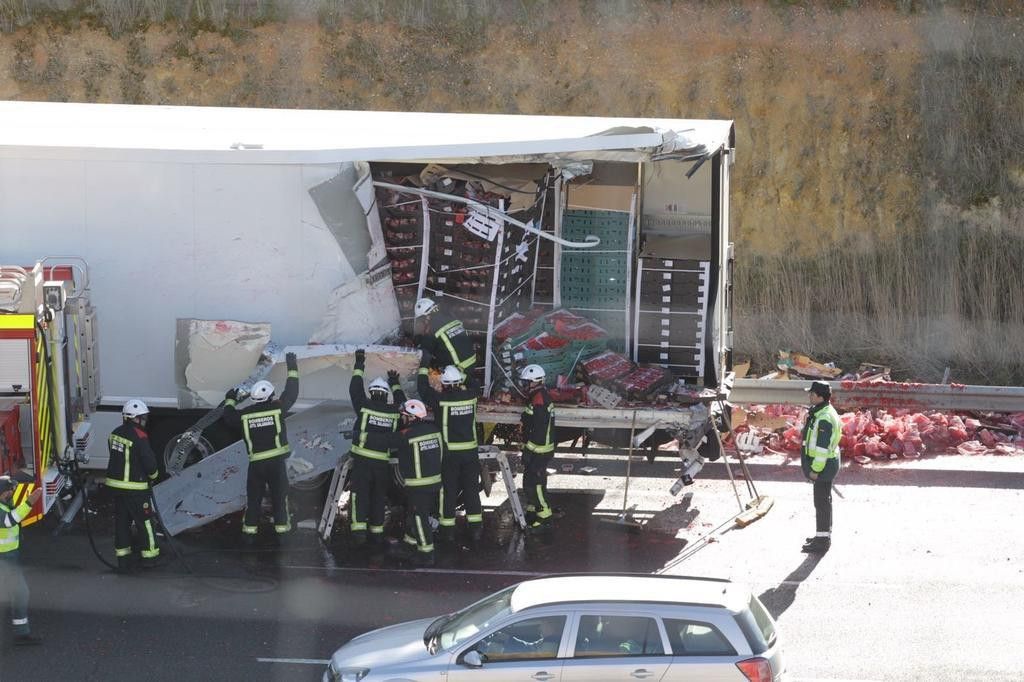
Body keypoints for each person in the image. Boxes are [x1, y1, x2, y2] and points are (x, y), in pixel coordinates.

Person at [222, 352, 299, 542]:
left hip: (256, 466)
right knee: (279, 499)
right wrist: (292, 367)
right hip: (276, 464)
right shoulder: (277, 409)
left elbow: (228, 416)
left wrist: (230, 399)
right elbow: (291, 393)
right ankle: (282, 534)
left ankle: (249, 535)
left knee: (254, 500)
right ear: (270, 396)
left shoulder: (245, 415)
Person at [365, 399, 443, 565]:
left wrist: (361, 436)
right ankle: (409, 544)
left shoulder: (409, 434)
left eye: (404, 416)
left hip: (418, 484)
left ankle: (426, 553)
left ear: (412, 417)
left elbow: (385, 441)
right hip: (433, 482)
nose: (402, 419)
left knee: (419, 518)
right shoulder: (434, 429)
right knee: (413, 514)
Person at [417, 350, 482, 545]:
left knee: (448, 491)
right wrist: (461, 369)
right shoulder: (471, 396)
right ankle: (476, 530)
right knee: (471, 490)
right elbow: (474, 382)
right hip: (470, 454)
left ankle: (448, 531)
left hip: (450, 455)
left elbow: (422, 388)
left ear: (444, 385)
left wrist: (424, 365)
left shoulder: (440, 400)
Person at [347, 348, 405, 547]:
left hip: (362, 462)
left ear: (371, 393)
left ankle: (358, 533)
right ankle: (377, 532)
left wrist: (359, 363)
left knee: (359, 496)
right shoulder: (394, 412)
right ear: (385, 394)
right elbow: (404, 404)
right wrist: (395, 383)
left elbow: (354, 388)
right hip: (382, 463)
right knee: (379, 497)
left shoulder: (363, 406)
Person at [105, 399, 161, 571]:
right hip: (136, 489)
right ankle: (149, 558)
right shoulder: (140, 436)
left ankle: (123, 559)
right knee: (145, 523)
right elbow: (149, 462)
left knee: (121, 523)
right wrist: (154, 475)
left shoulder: (114, 433)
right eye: (142, 418)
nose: (144, 421)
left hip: (116, 488)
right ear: (135, 418)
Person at [0, 475, 43, 645]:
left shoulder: (4, 504)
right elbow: (10, 521)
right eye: (10, 489)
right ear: (3, 493)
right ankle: (21, 634)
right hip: (5, 558)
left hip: (9, 556)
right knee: (20, 593)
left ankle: (21, 632)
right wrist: (30, 502)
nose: (13, 491)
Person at [801, 380, 842, 553]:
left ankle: (822, 540)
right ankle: (823, 535)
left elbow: (821, 449)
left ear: (819, 396)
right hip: (826, 463)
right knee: (824, 501)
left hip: (823, 466)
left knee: (821, 502)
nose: (809, 396)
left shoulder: (824, 418)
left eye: (811, 394)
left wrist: (815, 470)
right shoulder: (823, 411)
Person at [519, 364, 556, 530]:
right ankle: (533, 508)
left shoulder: (539, 400)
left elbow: (539, 431)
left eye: (526, 382)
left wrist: (528, 449)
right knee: (529, 481)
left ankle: (544, 516)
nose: (524, 385)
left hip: (540, 450)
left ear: (534, 382)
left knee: (536, 483)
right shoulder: (537, 397)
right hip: (536, 449)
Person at [414, 297, 477, 373]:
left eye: (421, 319)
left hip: (459, 369)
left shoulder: (432, 328)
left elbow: (424, 352)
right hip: (472, 361)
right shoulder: (450, 317)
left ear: (426, 317)